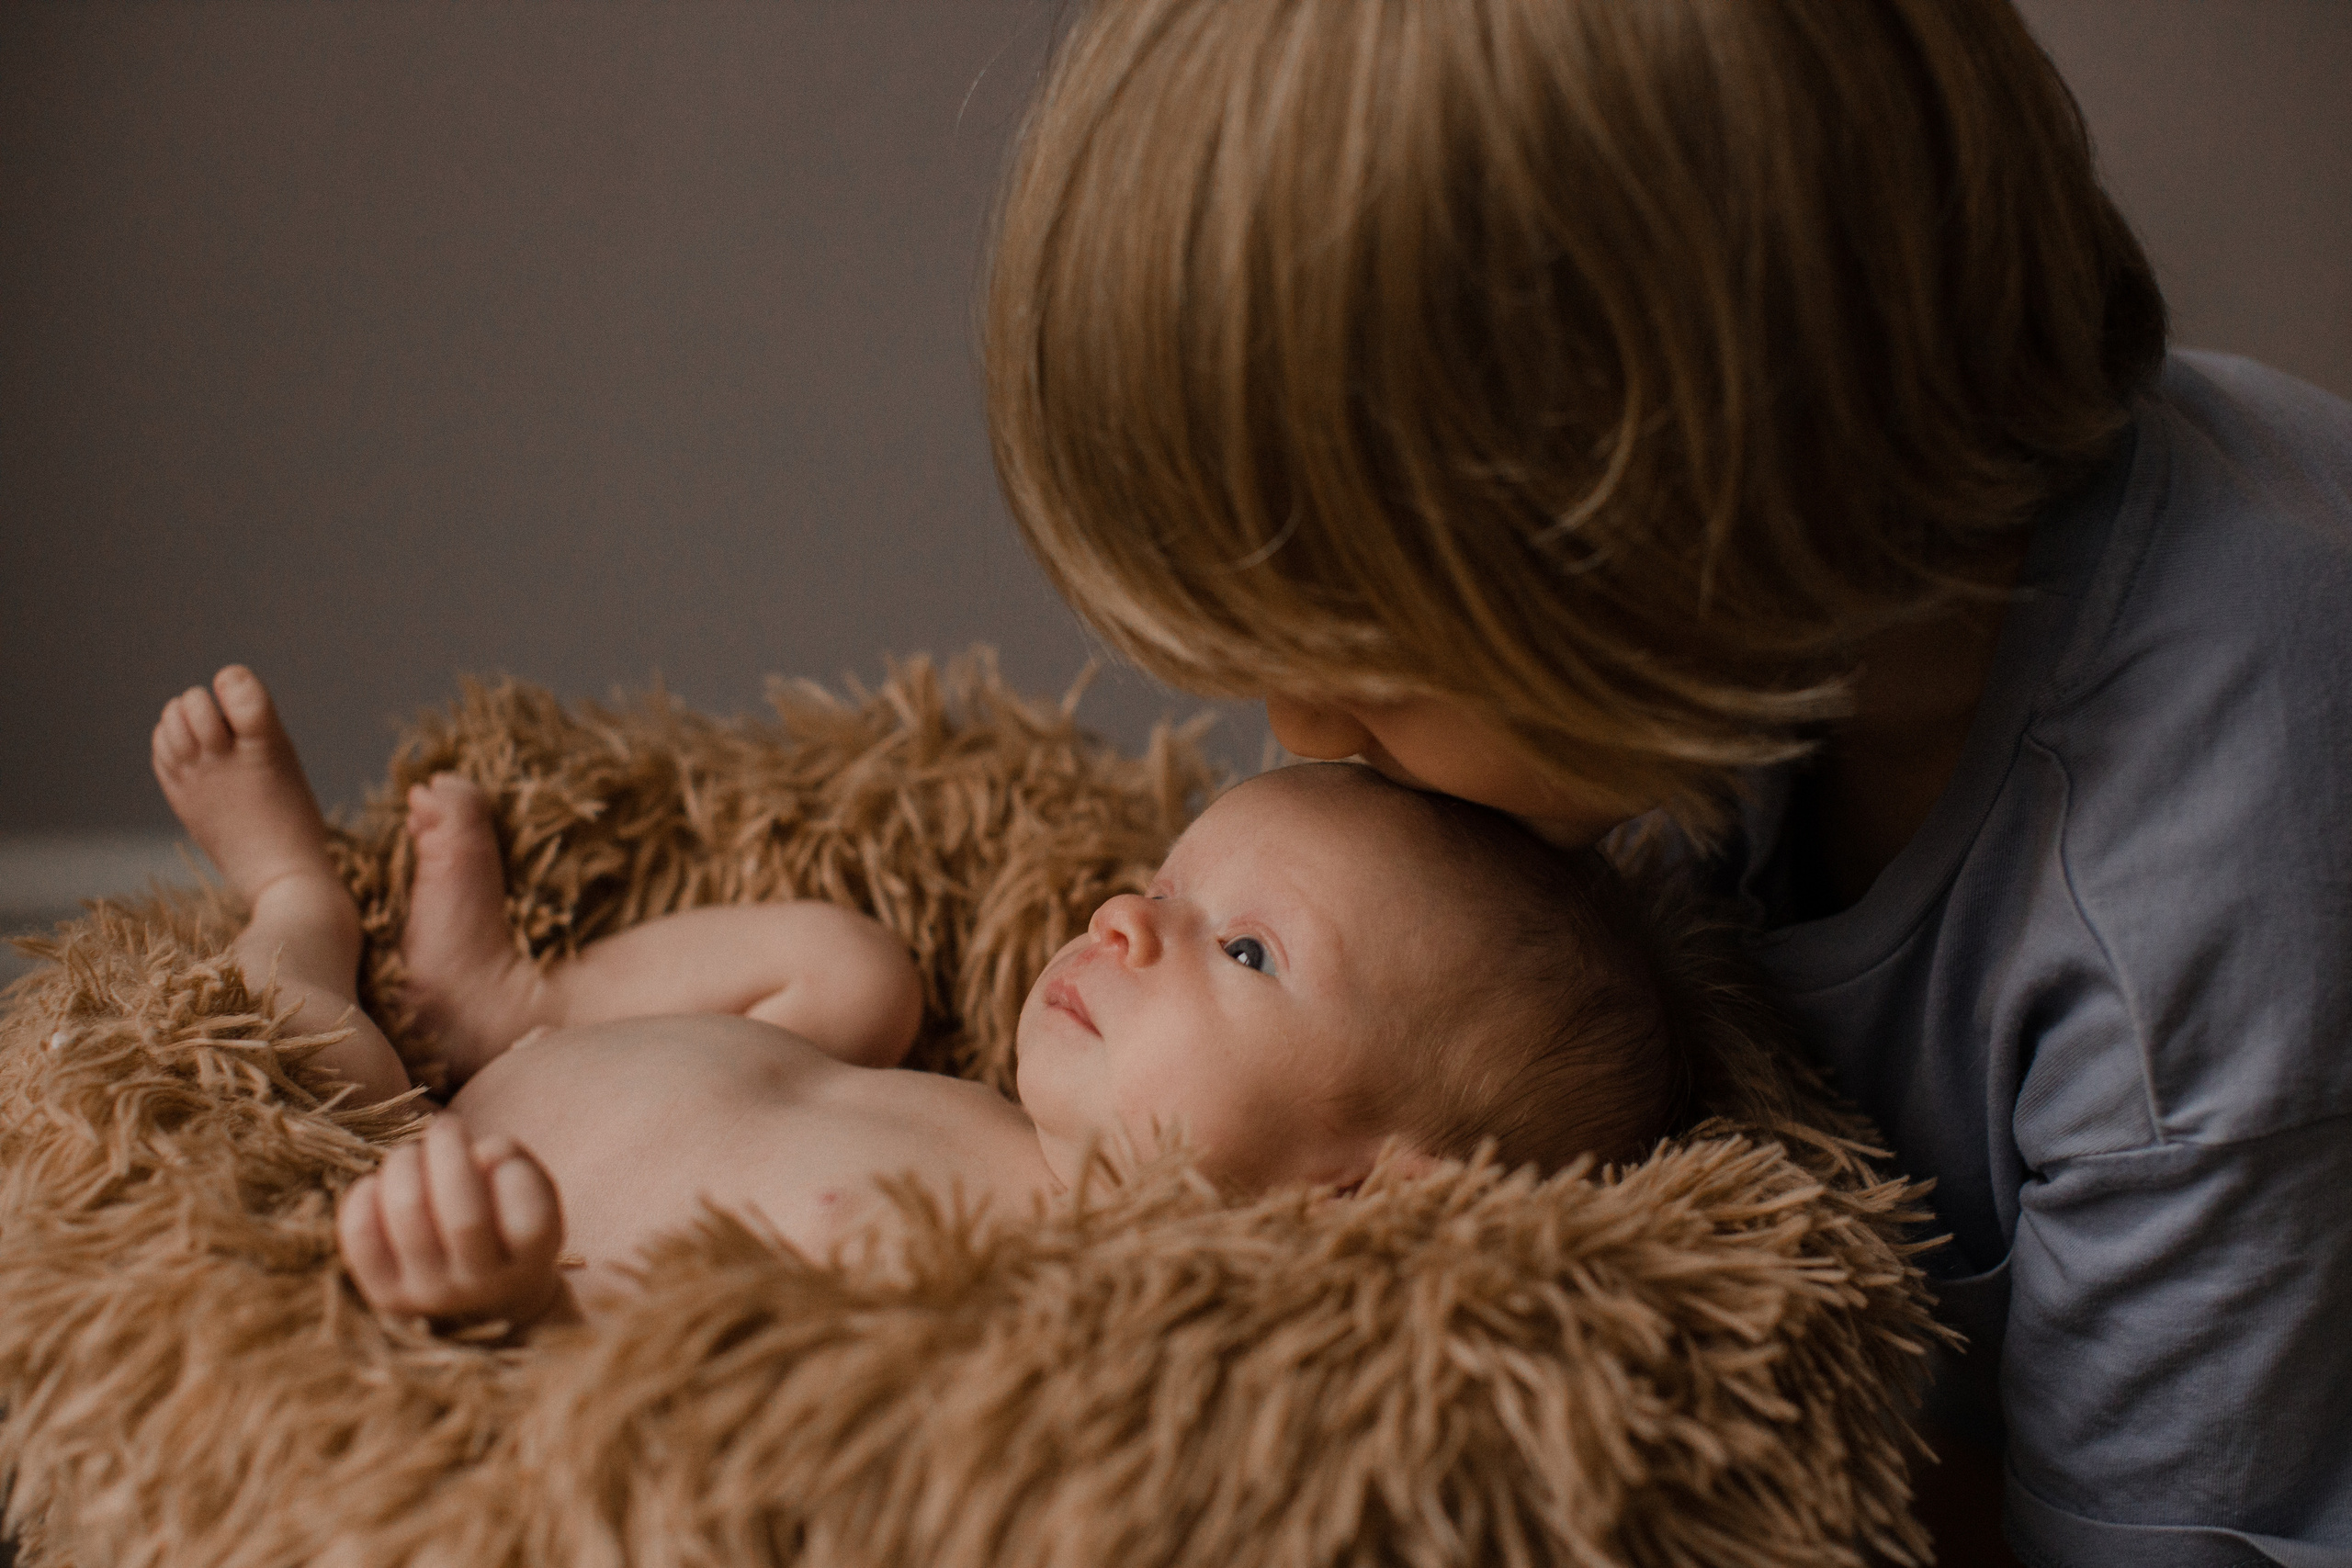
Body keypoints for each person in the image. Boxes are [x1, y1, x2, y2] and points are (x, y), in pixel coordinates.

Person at [979, 2, 2352, 1562]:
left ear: (1721, 515)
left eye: (1375, 659)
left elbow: (2133, 1543)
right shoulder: (1746, 647)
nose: (1297, 730)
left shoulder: (2198, 881)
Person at [151, 664, 1688, 1329]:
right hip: (555, 1066)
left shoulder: (1061, 1299)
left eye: (1246, 951)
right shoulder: (980, 1107)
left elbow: (734, 1407)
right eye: (1164, 882)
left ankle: (296, 902)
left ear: (1362, 1196)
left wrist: (506, 1304)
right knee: (856, 972)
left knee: (318, 1055)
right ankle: (508, 998)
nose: (1127, 919)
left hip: (442, 1202)